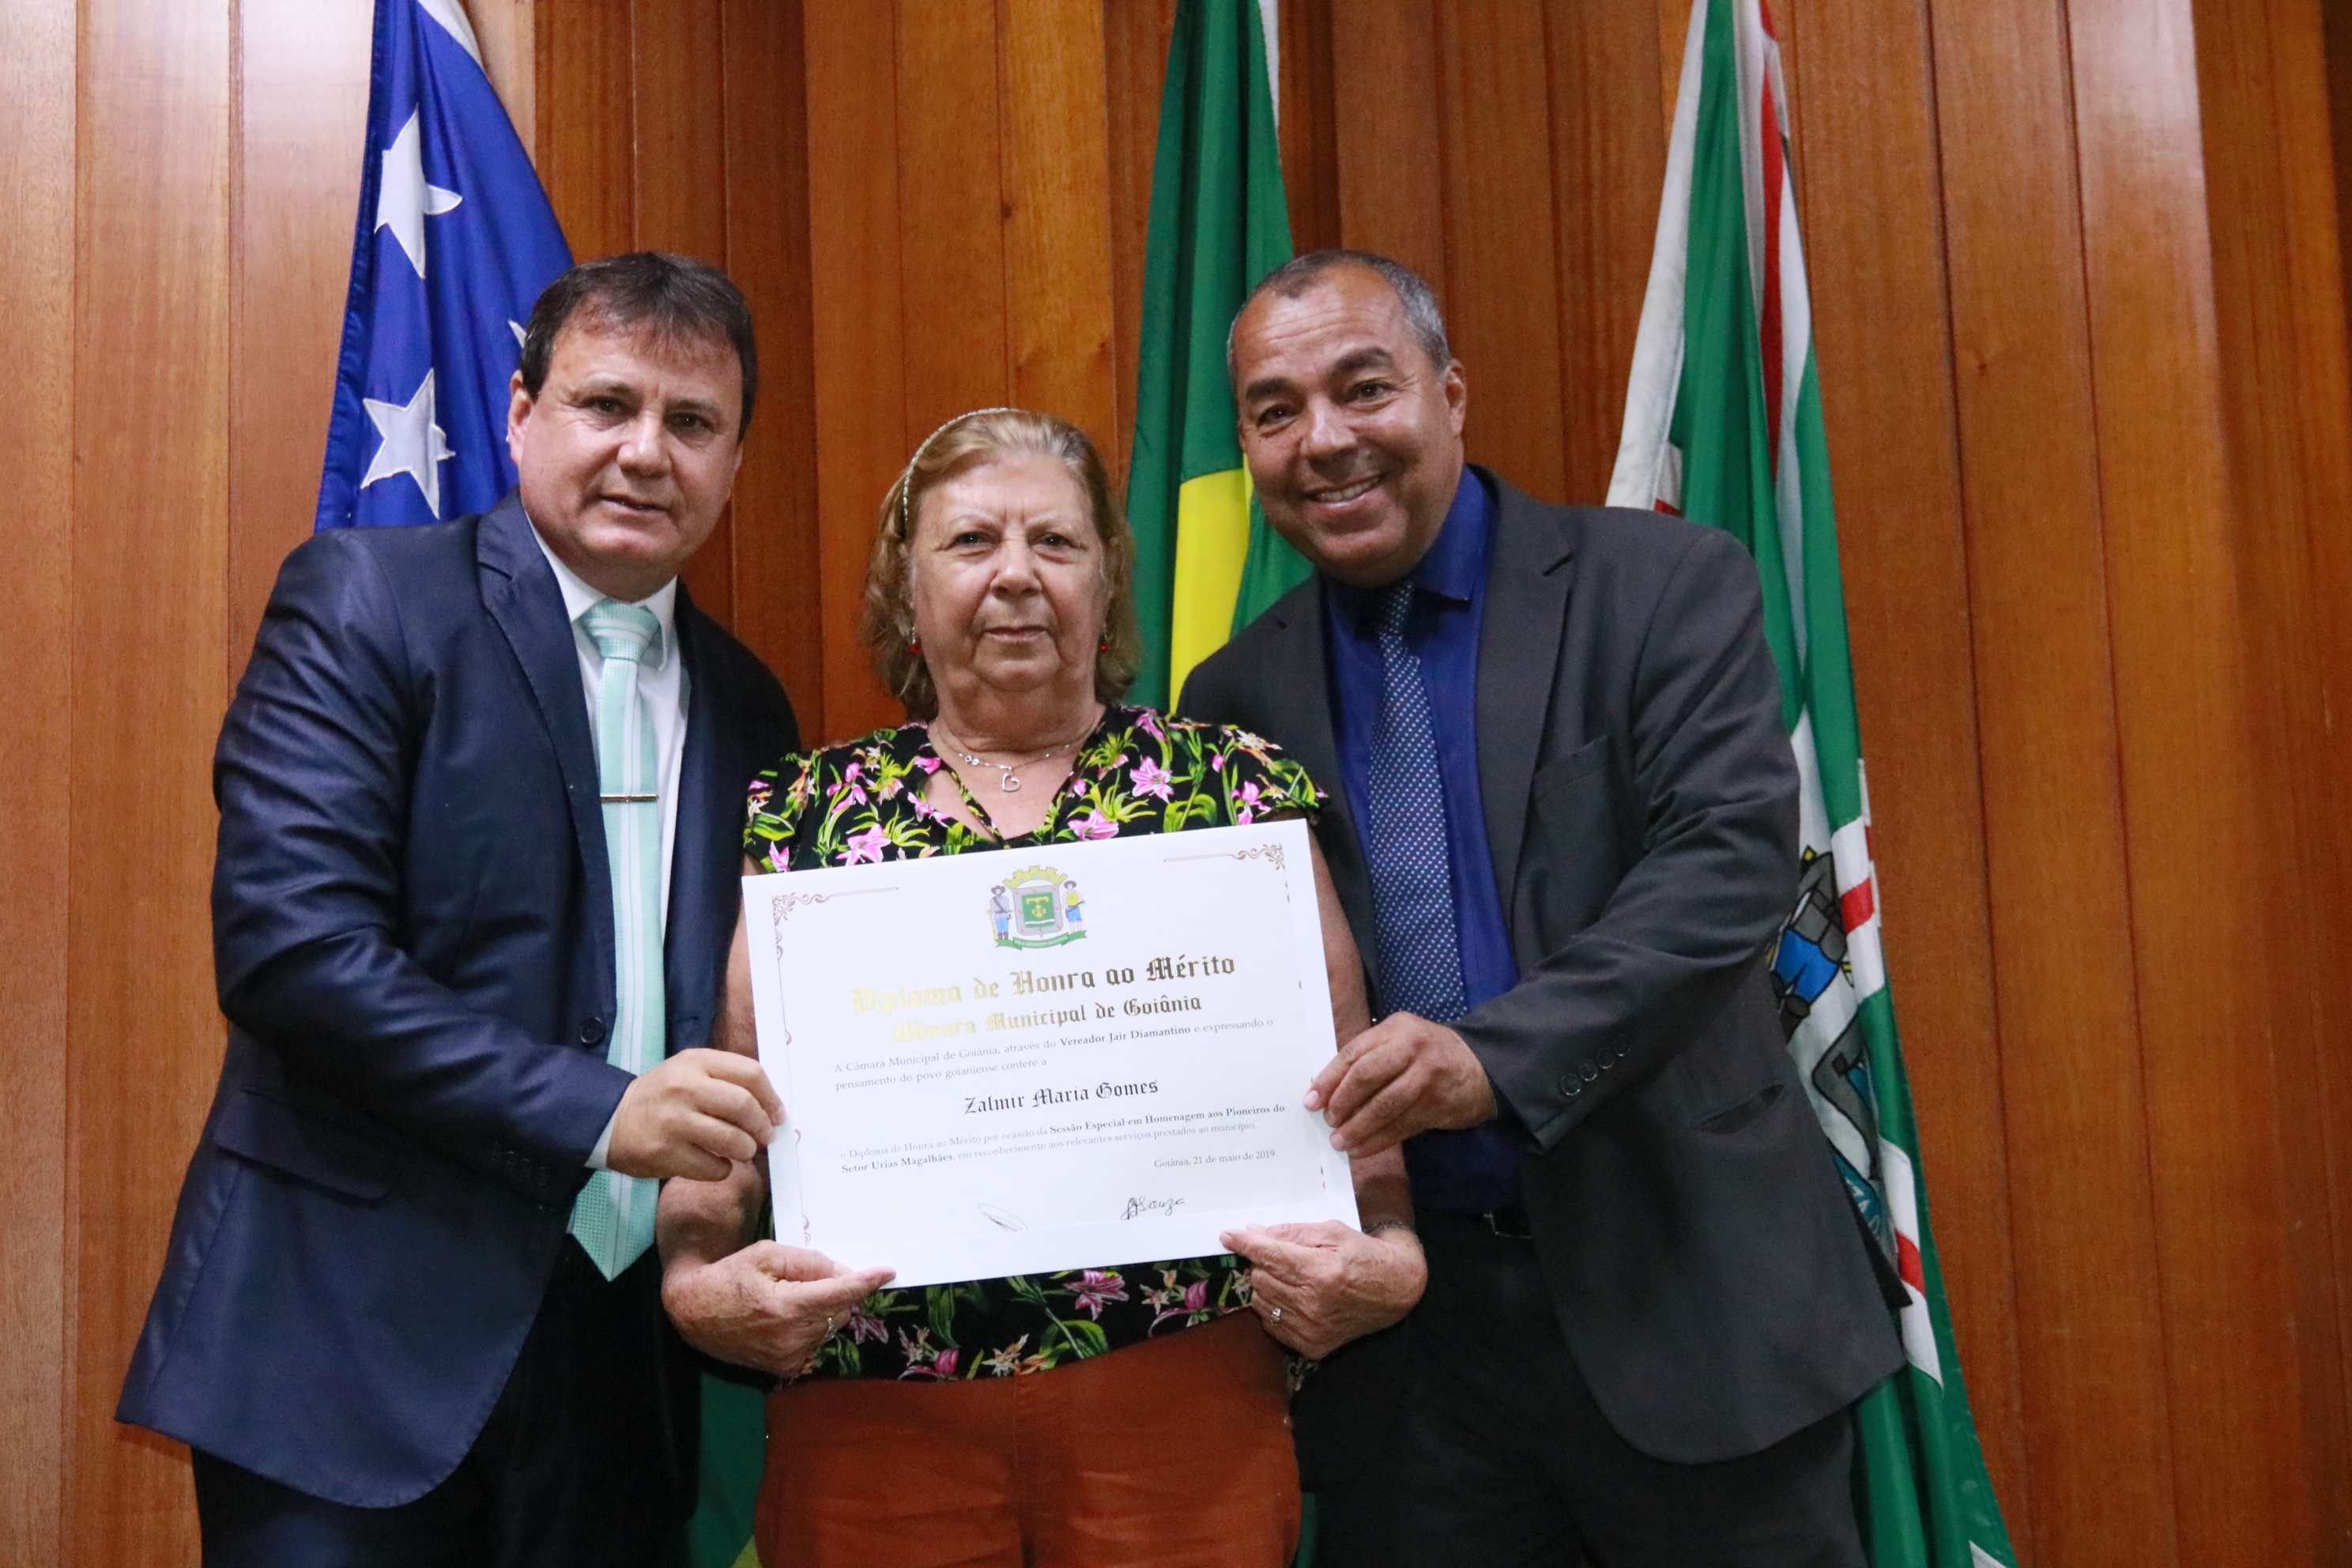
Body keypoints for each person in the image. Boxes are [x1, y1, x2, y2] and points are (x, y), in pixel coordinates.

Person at [117, 252, 884, 1566]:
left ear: (734, 462)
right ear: (521, 412)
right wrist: (602, 1111)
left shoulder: (754, 706)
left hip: (621, 1371)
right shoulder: (369, 600)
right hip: (346, 1349)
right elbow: (294, 951)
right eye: (607, 404)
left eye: (692, 422)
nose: (646, 452)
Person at [1178, 251, 1905, 1566]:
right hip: (1414, 1358)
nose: (1323, 440)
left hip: (1691, 1301)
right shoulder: (1231, 701)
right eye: (1276, 411)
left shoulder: (1660, 585)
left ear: (1451, 394)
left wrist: (1491, 1061)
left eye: (1363, 388)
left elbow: (1726, 867)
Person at [658, 407, 1425, 1568]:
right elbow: (730, 1126)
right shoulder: (806, 817)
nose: (1015, 574)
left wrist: (1395, 1252)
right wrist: (692, 1280)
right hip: (875, 1418)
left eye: (1055, 542)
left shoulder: (1233, 791)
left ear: (1107, 581)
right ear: (907, 590)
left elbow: (1354, 1092)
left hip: (1179, 1404)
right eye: (971, 542)